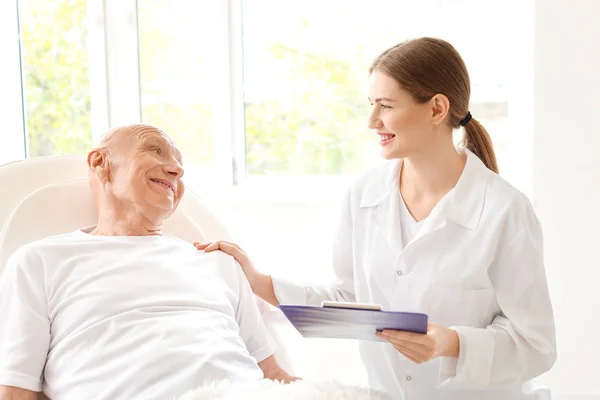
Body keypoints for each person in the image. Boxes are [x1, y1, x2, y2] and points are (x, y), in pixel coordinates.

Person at [195, 37, 557, 400]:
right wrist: (259, 282)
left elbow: (536, 344)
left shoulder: (505, 210)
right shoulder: (364, 196)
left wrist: (454, 344)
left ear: (436, 109)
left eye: (385, 106)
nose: (371, 122)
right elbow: (349, 297)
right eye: (371, 105)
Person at [0, 124, 294, 400]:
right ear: (100, 163)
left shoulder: (218, 263)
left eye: (179, 164)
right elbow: (17, 391)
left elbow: (273, 375)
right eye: (155, 151)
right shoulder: (39, 261)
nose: (177, 170)